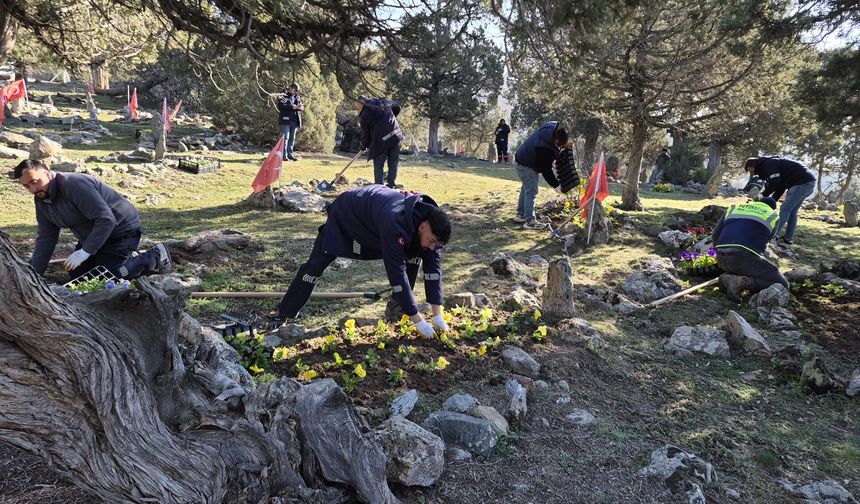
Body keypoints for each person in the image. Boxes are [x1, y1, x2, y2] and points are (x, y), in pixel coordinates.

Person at [270, 185, 451, 339]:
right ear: (422, 227)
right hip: (347, 214)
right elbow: (397, 274)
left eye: (438, 243)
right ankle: (284, 313)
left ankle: (398, 309)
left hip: (373, 218)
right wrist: (418, 320)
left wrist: (437, 315)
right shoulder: (394, 223)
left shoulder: (431, 224)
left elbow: (433, 269)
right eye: (433, 241)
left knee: (418, 253)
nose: (434, 247)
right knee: (315, 266)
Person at [13, 159, 171, 280]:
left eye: (34, 182)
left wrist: (84, 252)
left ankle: (155, 256)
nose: (33, 189)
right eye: (27, 186)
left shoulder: (73, 184)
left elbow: (106, 219)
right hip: (92, 237)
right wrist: (34, 274)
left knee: (109, 276)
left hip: (120, 231)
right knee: (78, 276)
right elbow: (47, 237)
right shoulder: (41, 199)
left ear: (47, 173)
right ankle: (125, 259)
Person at [712, 196, 788, 302]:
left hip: (721, 257)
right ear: (772, 208)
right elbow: (767, 240)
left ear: (757, 202)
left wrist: (721, 253)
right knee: (783, 284)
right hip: (743, 257)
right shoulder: (773, 215)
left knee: (744, 264)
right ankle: (740, 282)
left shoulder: (734, 208)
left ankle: (729, 277)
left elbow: (715, 234)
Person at [744, 156, 816, 245]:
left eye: (750, 170)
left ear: (753, 165)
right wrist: (771, 202)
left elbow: (775, 183)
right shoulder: (769, 164)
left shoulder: (769, 165)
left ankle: (771, 236)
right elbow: (780, 187)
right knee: (792, 211)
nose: (752, 173)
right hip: (808, 183)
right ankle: (787, 239)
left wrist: (762, 196)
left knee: (785, 209)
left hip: (801, 183)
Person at [513, 121, 569, 230]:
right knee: (532, 190)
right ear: (556, 139)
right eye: (559, 144)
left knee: (526, 187)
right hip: (526, 164)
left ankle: (521, 215)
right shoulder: (544, 147)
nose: (560, 146)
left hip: (521, 159)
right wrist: (556, 186)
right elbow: (545, 170)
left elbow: (552, 153)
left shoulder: (551, 128)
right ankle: (530, 221)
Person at [358, 96, 403, 188]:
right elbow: (397, 107)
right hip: (396, 135)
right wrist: (390, 119)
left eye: (357, 106)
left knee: (379, 163)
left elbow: (365, 135)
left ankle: (379, 186)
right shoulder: (384, 102)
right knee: (393, 163)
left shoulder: (365, 114)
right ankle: (391, 185)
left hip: (381, 141)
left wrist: (363, 146)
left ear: (361, 103)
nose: (357, 108)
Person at [276, 82, 304, 161]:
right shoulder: (283, 94)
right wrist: (292, 107)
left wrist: (299, 107)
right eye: (293, 89)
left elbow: (301, 107)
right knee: (285, 138)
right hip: (286, 120)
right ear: (290, 88)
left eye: (296, 90)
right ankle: (283, 155)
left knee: (292, 138)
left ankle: (290, 153)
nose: (294, 91)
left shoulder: (297, 97)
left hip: (294, 120)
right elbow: (280, 106)